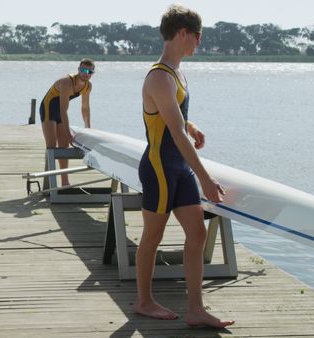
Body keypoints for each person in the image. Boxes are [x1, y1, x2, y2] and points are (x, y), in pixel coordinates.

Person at [136, 5, 235, 328]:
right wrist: (206, 179)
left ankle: (196, 309)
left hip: (179, 168)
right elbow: (173, 134)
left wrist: (192, 126)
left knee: (197, 232)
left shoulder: (178, 74)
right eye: (198, 36)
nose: (199, 43)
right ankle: (144, 301)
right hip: (160, 168)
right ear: (182, 33)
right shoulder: (159, 76)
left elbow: (176, 121)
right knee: (153, 236)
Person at [39, 58, 94, 186]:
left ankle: (65, 182)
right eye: (83, 70)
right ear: (78, 69)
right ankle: (49, 183)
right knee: (52, 147)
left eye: (89, 72)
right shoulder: (66, 83)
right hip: (48, 108)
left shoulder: (87, 86)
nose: (86, 74)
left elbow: (85, 108)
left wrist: (88, 129)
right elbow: (64, 111)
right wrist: (68, 132)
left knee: (64, 146)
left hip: (60, 111)